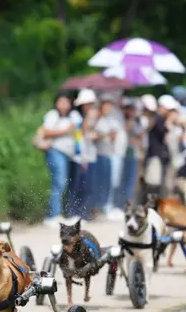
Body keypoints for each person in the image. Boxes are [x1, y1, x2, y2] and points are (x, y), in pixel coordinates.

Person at [38, 92, 81, 226]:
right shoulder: (52, 115)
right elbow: (45, 131)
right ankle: (53, 215)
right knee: (59, 182)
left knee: (66, 183)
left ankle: (64, 213)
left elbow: (78, 131)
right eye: (60, 102)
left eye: (66, 102)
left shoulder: (73, 116)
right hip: (55, 151)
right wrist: (64, 131)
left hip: (69, 153)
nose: (63, 105)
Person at [95, 94, 127, 221]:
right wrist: (108, 135)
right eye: (106, 104)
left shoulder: (114, 117)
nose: (108, 107)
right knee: (104, 182)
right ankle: (103, 206)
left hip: (113, 153)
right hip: (102, 154)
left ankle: (110, 205)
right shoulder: (98, 118)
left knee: (114, 181)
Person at [73, 89, 100, 220]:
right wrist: (89, 117)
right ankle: (77, 213)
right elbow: (81, 134)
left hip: (91, 155)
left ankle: (85, 212)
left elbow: (94, 134)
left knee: (89, 186)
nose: (89, 106)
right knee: (80, 186)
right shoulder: (77, 117)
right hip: (80, 156)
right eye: (87, 104)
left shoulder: (94, 117)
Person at [141, 94, 168, 201]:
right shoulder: (156, 119)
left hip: (154, 154)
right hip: (152, 154)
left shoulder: (157, 119)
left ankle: (148, 204)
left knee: (151, 183)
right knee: (149, 182)